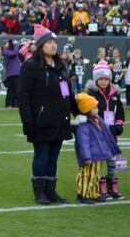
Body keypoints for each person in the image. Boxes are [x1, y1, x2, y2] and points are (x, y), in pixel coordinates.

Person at [18, 25, 76, 205]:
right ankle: (40, 192)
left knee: (53, 157)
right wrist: (27, 120)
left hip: (60, 119)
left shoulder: (60, 66)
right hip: (41, 120)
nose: (53, 46)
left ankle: (51, 191)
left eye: (55, 42)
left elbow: (67, 93)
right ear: (41, 45)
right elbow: (23, 95)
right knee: (41, 156)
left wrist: (80, 112)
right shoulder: (31, 66)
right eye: (49, 42)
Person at [85, 62, 125, 200]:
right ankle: (100, 187)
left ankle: (112, 186)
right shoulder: (91, 94)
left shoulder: (115, 94)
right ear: (96, 80)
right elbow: (87, 113)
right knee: (100, 161)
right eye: (101, 79)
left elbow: (120, 113)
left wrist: (119, 125)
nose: (104, 81)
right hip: (98, 134)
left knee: (113, 161)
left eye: (106, 79)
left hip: (112, 134)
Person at [72, 93, 121, 204]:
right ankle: (82, 194)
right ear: (87, 110)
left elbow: (106, 136)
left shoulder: (97, 120)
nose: (97, 109)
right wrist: (86, 157)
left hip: (98, 154)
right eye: (94, 107)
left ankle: (93, 193)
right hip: (90, 156)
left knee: (95, 175)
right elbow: (83, 143)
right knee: (86, 175)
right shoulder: (83, 125)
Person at [2, 38, 21, 108]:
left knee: (16, 89)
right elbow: (14, 53)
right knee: (11, 89)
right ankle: (9, 104)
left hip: (16, 72)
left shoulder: (10, 50)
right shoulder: (5, 51)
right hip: (11, 73)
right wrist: (16, 45)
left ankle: (15, 104)